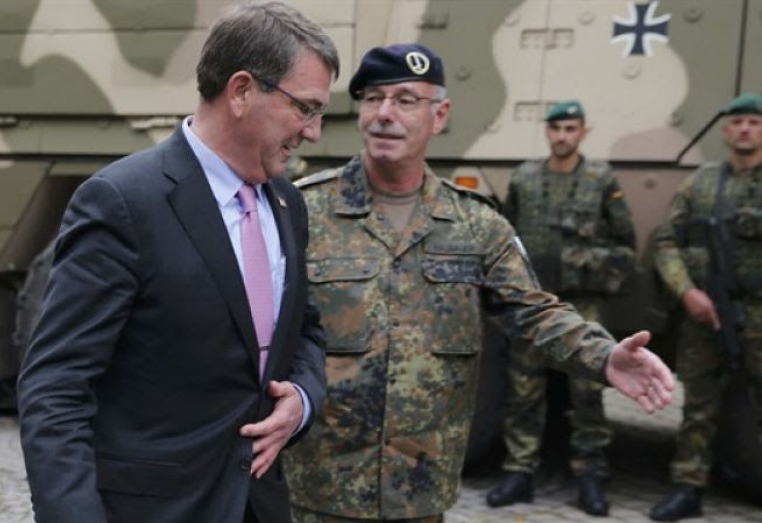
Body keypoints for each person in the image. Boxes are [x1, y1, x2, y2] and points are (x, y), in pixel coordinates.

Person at [282, 43, 673, 523]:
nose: (385, 113)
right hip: (318, 484)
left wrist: (605, 356)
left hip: (419, 488)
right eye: (373, 98)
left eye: (405, 100)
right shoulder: (302, 211)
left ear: (440, 115)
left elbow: (535, 312)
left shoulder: (477, 225)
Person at [16, 3, 338, 522]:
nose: (314, 131)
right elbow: (56, 387)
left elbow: (305, 330)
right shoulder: (123, 201)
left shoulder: (286, 202)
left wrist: (302, 398)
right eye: (305, 108)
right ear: (241, 90)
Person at [486, 100, 637, 516]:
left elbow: (625, 248)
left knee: (588, 392)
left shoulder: (601, 180)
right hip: (531, 303)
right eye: (556, 128)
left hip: (581, 305)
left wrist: (582, 265)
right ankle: (519, 472)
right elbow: (508, 238)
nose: (562, 136)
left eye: (570, 128)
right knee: (523, 392)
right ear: (547, 132)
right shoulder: (525, 178)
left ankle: (591, 474)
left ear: (583, 132)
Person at [649, 92, 762, 522]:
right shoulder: (701, 183)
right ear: (725, 131)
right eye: (738, 122)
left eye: (754, 122)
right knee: (698, 406)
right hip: (707, 315)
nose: (745, 129)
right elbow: (665, 241)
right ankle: (688, 486)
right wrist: (687, 292)